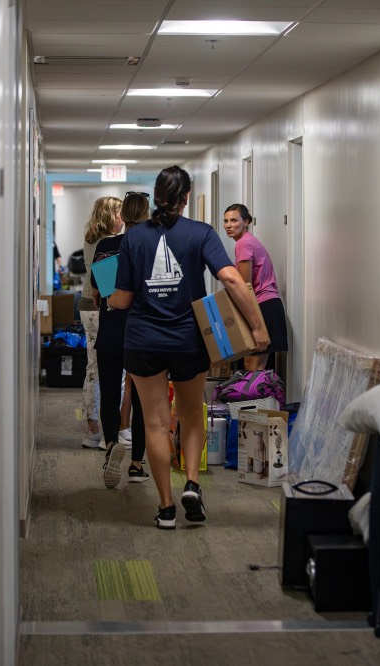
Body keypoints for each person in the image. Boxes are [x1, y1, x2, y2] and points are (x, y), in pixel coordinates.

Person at [109, 166, 269, 529]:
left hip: (143, 341)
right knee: (192, 414)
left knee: (153, 423)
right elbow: (230, 278)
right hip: (188, 340)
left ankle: (165, 507)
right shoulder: (202, 233)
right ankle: (193, 485)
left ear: (156, 194)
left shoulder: (134, 238)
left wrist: (110, 298)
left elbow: (122, 298)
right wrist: (258, 327)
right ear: (185, 199)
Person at [93, 192, 150, 488]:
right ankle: (137, 464)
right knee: (141, 400)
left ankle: (112, 444)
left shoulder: (105, 247)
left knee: (110, 395)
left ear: (122, 217)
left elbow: (98, 293)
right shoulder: (150, 247)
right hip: (141, 335)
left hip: (110, 334)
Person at [222, 204, 289, 371]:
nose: (229, 225)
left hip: (263, 306)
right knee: (256, 367)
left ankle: (253, 398)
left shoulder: (243, 244)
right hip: (267, 305)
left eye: (234, 220)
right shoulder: (247, 241)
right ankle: (257, 397)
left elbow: (244, 285)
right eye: (226, 221)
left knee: (252, 366)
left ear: (246, 222)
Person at [78, 196, 122, 450]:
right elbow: (105, 283)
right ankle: (105, 431)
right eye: (118, 214)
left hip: (89, 305)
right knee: (106, 370)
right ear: (109, 216)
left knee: (93, 367)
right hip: (98, 306)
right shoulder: (105, 242)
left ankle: (94, 427)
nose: (122, 220)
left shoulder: (91, 237)